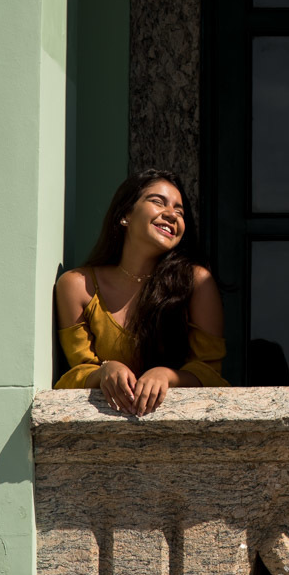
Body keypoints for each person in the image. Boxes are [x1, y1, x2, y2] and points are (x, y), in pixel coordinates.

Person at [54, 169, 227, 414]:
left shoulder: (196, 282)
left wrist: (168, 376)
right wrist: (105, 371)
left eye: (180, 211)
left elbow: (211, 375)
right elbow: (77, 374)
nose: (171, 214)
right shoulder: (77, 286)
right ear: (125, 214)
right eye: (158, 202)